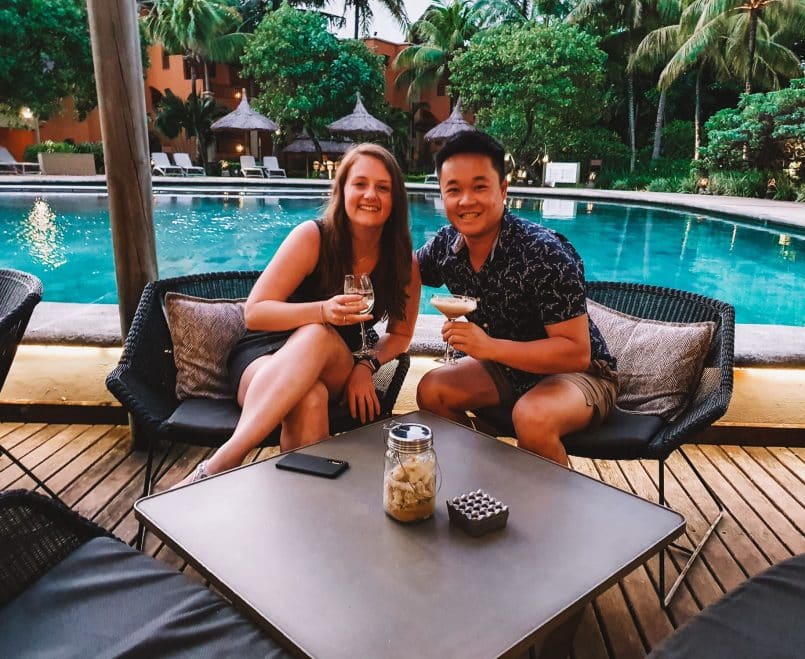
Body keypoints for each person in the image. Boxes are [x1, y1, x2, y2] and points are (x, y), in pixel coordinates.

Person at [178, 143, 421, 485]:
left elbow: (401, 334)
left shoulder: (402, 261)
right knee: (310, 396)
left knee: (320, 336)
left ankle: (216, 467)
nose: (371, 195)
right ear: (343, 190)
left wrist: (367, 367)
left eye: (383, 187)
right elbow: (255, 313)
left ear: (396, 199)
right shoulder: (313, 237)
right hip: (264, 356)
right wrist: (322, 310)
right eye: (360, 184)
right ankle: (301, 512)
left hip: (336, 361)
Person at [416, 131, 617, 466]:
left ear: (503, 189)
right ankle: (488, 477)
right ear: (442, 195)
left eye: (479, 187)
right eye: (454, 189)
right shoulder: (446, 246)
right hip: (509, 368)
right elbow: (402, 271)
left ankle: (556, 515)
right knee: (433, 390)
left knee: (532, 416)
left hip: (583, 376)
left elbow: (576, 353)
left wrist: (489, 348)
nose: (466, 200)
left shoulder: (544, 252)